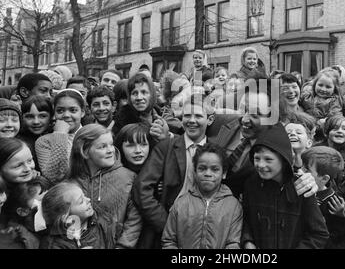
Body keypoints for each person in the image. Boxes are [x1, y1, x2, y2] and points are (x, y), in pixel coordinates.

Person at [133, 94, 215, 249]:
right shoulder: (167, 147)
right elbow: (141, 188)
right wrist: (165, 223)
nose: (191, 120)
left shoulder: (216, 152)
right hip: (167, 229)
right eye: (187, 115)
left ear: (210, 120)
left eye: (198, 115)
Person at [241, 123, 329, 249]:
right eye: (256, 158)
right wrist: (247, 242)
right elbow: (246, 220)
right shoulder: (251, 184)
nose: (260, 164)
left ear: (283, 159)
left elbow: (319, 234)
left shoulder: (301, 187)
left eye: (268, 159)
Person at [67, 124, 142, 248]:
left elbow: (135, 219)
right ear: (85, 152)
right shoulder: (70, 183)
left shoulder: (128, 178)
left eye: (111, 144)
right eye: (102, 147)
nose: (110, 150)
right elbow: (66, 221)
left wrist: (123, 246)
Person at [161, 143, 242, 249]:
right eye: (202, 168)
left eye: (215, 169)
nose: (208, 173)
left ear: (224, 173)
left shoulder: (233, 206)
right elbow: (169, 241)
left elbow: (233, 243)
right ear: (194, 171)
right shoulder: (181, 203)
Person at [40, 181, 114, 249]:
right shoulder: (52, 245)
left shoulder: (101, 221)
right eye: (81, 201)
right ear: (67, 218)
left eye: (84, 195)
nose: (88, 199)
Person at [35, 89, 85, 186]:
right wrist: (60, 134)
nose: (66, 115)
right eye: (60, 110)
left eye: (73, 110)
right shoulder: (44, 142)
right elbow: (54, 177)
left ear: (82, 112)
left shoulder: (93, 135)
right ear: (54, 113)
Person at [112, 72, 170, 142]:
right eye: (134, 93)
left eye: (144, 92)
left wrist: (166, 137)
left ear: (152, 94)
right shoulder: (121, 119)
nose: (139, 97)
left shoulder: (161, 115)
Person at [17, 96, 53, 168]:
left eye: (42, 116)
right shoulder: (18, 142)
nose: (36, 122)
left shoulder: (56, 135)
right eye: (29, 117)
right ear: (21, 118)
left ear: (51, 117)